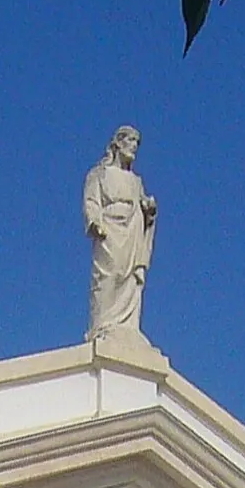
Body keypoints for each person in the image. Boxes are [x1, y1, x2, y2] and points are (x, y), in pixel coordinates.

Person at [83, 126, 157, 340]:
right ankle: (103, 325)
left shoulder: (136, 181)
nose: (134, 146)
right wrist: (95, 221)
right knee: (109, 275)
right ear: (118, 143)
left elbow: (143, 206)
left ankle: (127, 327)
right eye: (131, 140)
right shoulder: (99, 174)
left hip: (132, 229)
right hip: (110, 230)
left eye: (137, 142)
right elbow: (91, 201)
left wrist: (149, 210)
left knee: (130, 278)